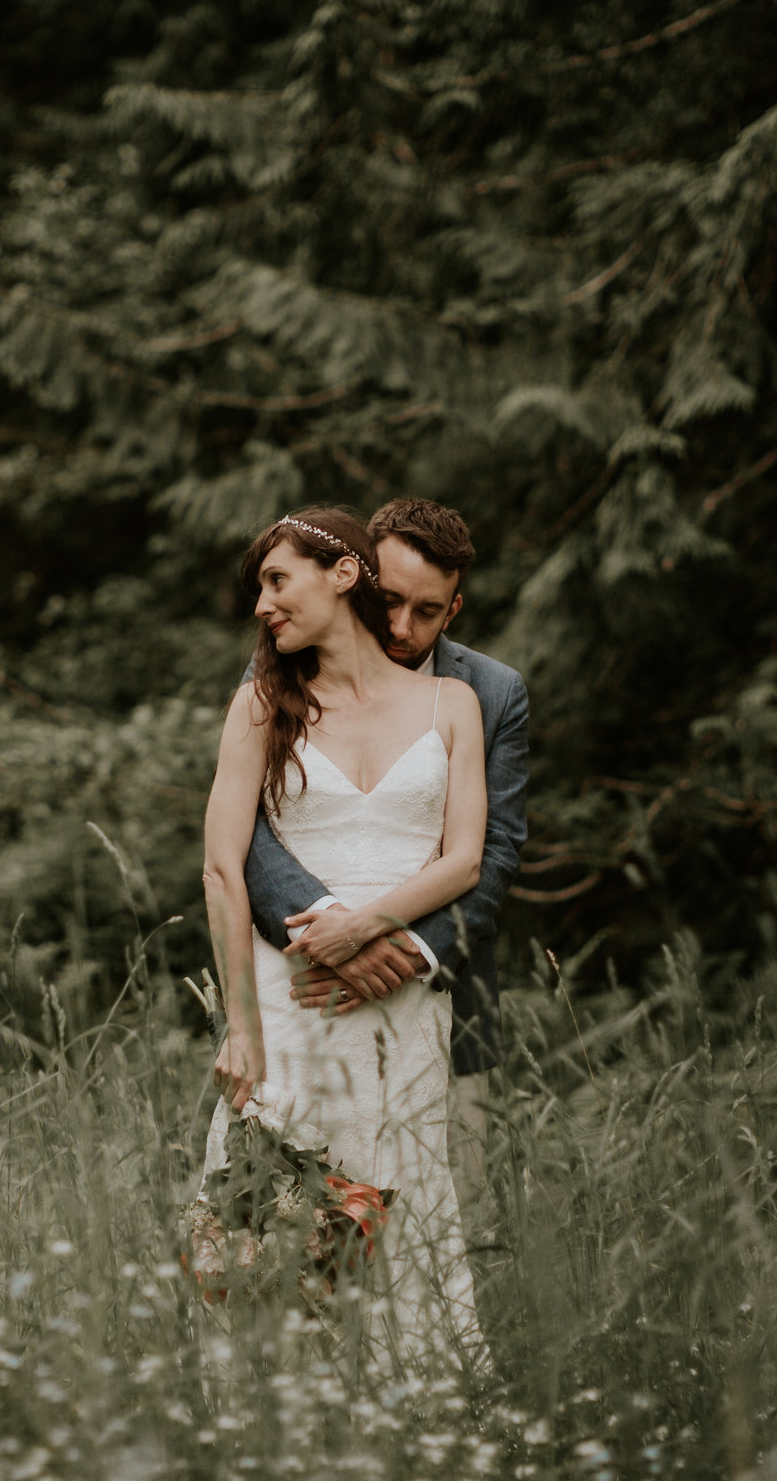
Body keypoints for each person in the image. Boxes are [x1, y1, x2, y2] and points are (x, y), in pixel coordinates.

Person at [199, 505, 490, 1371]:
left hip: (402, 1011)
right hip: (289, 1009)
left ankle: (420, 1432)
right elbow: (222, 869)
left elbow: (467, 858)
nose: (263, 603)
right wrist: (242, 1028)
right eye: (260, 587)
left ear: (343, 574)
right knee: (270, 1235)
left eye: (277, 579)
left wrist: (368, 924)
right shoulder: (261, 704)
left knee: (407, 1220)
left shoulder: (454, 704)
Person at [243, 498, 527, 1225]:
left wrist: (405, 949)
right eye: (390, 599)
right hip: (305, 981)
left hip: (437, 986)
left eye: (427, 611)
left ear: (454, 608)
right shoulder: (286, 664)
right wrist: (331, 934)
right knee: (290, 1217)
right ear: (355, 575)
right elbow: (252, 836)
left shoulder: (489, 694)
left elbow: (491, 854)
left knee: (438, 1218)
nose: (402, 627)